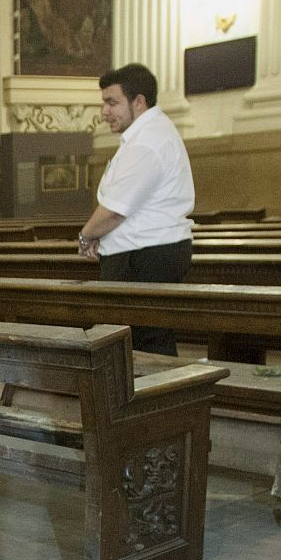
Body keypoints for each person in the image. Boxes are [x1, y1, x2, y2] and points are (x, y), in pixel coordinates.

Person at [76, 62, 195, 355]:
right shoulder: (147, 134)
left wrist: (85, 236)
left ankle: (155, 398)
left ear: (138, 102)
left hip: (145, 257)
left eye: (112, 102)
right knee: (141, 341)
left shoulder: (147, 141)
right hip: (143, 253)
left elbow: (115, 209)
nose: (105, 111)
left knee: (145, 345)